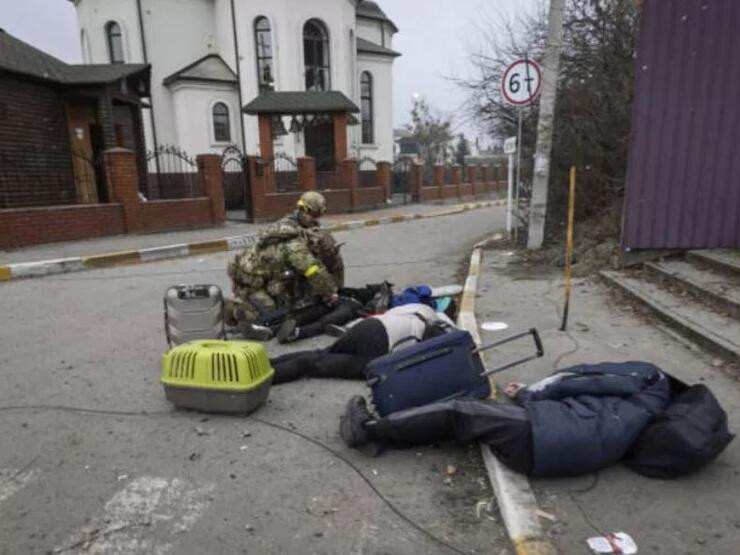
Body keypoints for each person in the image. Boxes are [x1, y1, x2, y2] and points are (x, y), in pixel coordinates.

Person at [339, 361, 671, 477]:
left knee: (458, 410)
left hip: (547, 436)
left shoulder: (642, 376)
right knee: (467, 421)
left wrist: (530, 393)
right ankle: (391, 435)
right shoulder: (649, 403)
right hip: (561, 447)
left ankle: (368, 431)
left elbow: (585, 381)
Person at [225, 191, 339, 340]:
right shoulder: (291, 240)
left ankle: (251, 303)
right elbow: (311, 269)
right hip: (251, 282)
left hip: (266, 278)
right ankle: (233, 308)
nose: (315, 220)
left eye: (318, 216)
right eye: (314, 215)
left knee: (289, 304)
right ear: (304, 210)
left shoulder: (292, 224)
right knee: (272, 317)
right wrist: (330, 292)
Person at [270, 302, 456, 383]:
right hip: (379, 347)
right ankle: (266, 378)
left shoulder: (418, 309)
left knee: (322, 353)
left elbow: (382, 314)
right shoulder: (427, 332)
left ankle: (269, 363)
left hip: (368, 326)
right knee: (315, 364)